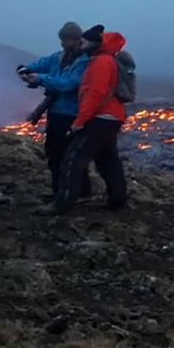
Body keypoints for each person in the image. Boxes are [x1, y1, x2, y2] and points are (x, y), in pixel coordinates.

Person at [55, 25, 129, 214]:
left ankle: (63, 204)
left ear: (94, 43)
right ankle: (118, 200)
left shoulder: (101, 62)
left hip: (101, 118)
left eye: (84, 41)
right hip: (112, 117)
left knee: (73, 159)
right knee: (107, 160)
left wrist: (79, 122)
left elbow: (95, 94)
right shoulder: (106, 60)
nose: (81, 44)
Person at [17, 22, 92, 198]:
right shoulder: (59, 57)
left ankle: (76, 192)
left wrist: (41, 79)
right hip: (56, 113)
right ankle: (61, 190)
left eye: (66, 40)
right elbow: (41, 64)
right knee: (54, 152)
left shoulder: (84, 62)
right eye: (62, 40)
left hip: (72, 114)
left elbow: (69, 84)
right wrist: (25, 69)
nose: (62, 43)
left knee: (68, 155)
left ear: (76, 39)